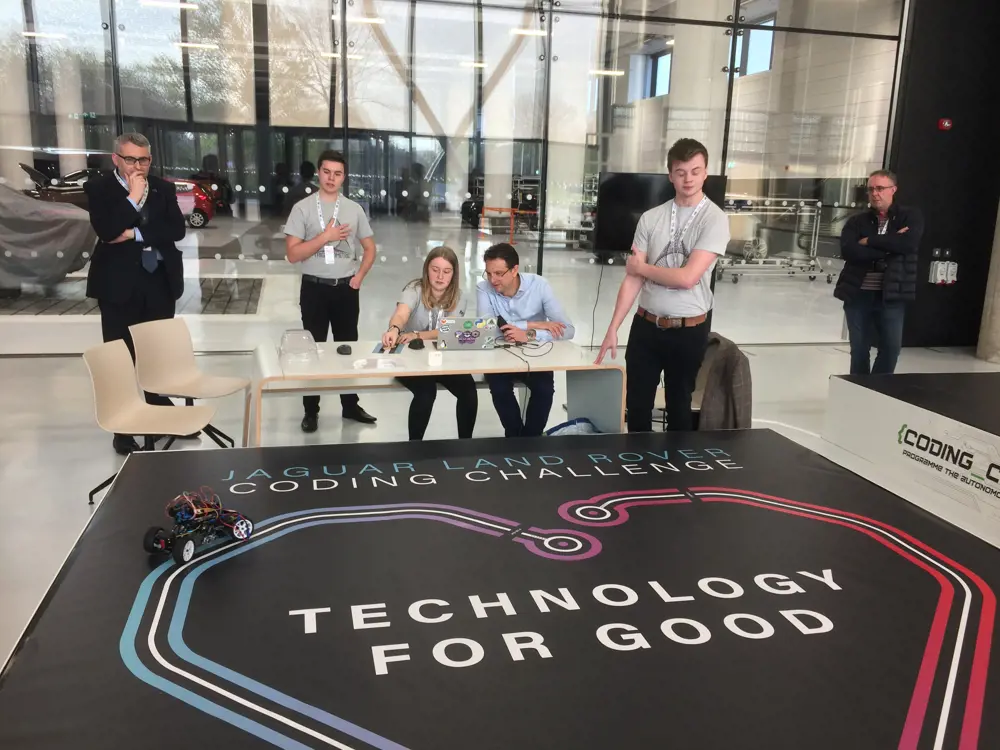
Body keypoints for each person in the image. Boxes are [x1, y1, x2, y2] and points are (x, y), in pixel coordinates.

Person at [596, 137, 730, 433]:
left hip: (689, 328)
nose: (689, 179)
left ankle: (676, 472)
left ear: (705, 172)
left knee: (678, 405)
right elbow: (632, 278)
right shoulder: (651, 218)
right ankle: (639, 471)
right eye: (681, 172)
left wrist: (642, 267)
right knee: (637, 404)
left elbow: (687, 278)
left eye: (695, 171)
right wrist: (613, 328)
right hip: (646, 326)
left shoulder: (714, 220)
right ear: (670, 175)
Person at [84, 132, 186, 455]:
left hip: (159, 280)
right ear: (116, 159)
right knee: (121, 356)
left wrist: (134, 232)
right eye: (131, 159)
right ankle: (123, 429)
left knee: (156, 352)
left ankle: (159, 413)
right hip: (117, 285)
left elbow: (176, 230)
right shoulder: (99, 189)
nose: (138, 166)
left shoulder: (163, 188)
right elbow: (107, 230)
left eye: (143, 159)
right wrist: (132, 198)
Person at [284, 150, 377, 432]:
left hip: (345, 290)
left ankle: (350, 405)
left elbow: (370, 248)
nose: (331, 178)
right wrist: (325, 237)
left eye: (338, 173)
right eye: (327, 172)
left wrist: (359, 276)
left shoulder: (354, 209)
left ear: (344, 177)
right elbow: (293, 254)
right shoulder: (302, 208)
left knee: (347, 349)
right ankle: (311, 410)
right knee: (312, 350)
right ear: (319, 173)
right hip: (314, 289)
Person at [476, 243, 575, 437]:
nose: (492, 280)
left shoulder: (539, 286)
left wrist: (528, 333)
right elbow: (486, 330)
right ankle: (514, 437)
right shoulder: (483, 289)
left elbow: (568, 330)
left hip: (535, 353)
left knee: (544, 389)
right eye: (488, 273)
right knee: (499, 387)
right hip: (499, 355)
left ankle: (531, 439)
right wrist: (534, 324)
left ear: (514, 270)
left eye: (498, 273)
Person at [381, 246, 478, 440]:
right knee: (426, 393)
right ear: (427, 269)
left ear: (454, 274)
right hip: (410, 359)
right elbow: (401, 314)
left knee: (469, 390)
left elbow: (449, 330)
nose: (440, 276)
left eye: (447, 271)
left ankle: (465, 444)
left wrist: (418, 334)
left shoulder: (459, 297)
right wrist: (394, 329)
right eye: (435, 270)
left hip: (441, 359)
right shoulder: (414, 290)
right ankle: (414, 447)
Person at [835, 169, 923, 375]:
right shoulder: (857, 222)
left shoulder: (910, 216)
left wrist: (869, 241)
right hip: (858, 294)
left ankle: (879, 390)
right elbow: (849, 250)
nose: (875, 193)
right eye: (871, 189)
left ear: (893, 189)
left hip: (891, 295)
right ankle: (859, 391)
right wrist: (891, 244)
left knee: (891, 349)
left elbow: (909, 244)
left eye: (880, 188)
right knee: (859, 350)